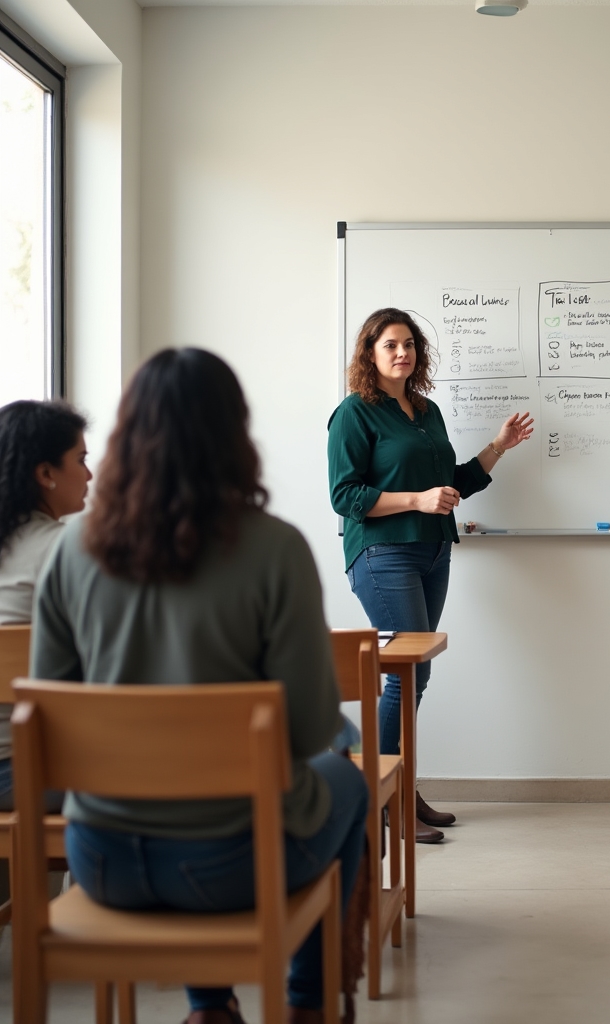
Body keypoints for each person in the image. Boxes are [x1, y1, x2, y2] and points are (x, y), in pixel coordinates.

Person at [32, 349, 367, 1024]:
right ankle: (311, 1003)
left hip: (98, 861)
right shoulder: (275, 550)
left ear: (127, 435)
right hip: (232, 864)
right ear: (234, 434)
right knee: (351, 781)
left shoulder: (70, 550)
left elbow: (45, 708)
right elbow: (307, 730)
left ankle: (209, 1007)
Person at [328, 308, 533, 843]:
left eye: (410, 345)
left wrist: (498, 447)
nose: (402, 353)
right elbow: (345, 497)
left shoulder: (426, 410)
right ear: (369, 354)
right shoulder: (354, 413)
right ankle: (377, 800)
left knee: (414, 674)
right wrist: (416, 499)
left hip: (433, 552)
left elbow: (453, 483)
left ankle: (399, 788)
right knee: (406, 675)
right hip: (383, 554)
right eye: (390, 344)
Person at [0, 398, 90, 812]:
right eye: (81, 459)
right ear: (46, 474)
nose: (90, 474)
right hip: (21, 772)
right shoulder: (64, 549)